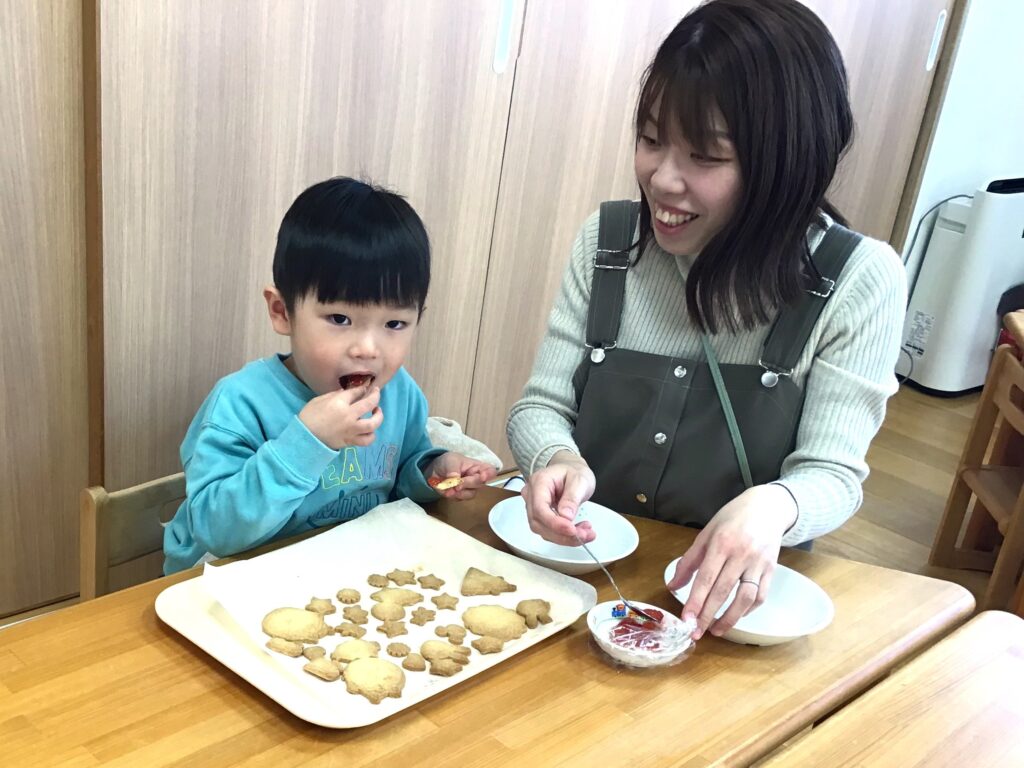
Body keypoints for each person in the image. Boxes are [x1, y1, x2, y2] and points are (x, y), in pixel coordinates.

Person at [506, 0, 905, 641]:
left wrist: (776, 504)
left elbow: (832, 476)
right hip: (582, 584)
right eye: (651, 139)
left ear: (785, 163)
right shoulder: (607, 243)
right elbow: (539, 407)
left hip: (736, 611)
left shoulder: (859, 279)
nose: (663, 179)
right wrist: (552, 456)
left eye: (707, 157)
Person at [164, 177, 496, 574]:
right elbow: (217, 530)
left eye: (395, 323)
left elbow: (399, 475)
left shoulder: (399, 392)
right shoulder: (240, 404)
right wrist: (307, 443)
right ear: (282, 312)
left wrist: (430, 471)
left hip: (344, 572)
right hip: (236, 578)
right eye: (340, 318)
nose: (368, 348)